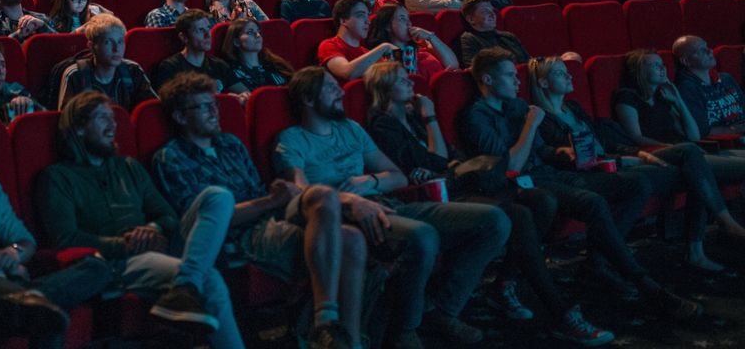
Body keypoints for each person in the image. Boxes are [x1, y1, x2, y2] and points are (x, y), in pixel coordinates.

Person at [365, 62, 615, 346]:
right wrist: (432, 119)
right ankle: (560, 311)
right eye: (401, 80)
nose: (410, 82)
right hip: (441, 194)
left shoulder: (412, 116)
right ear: (384, 88)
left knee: (542, 201)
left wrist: (444, 153)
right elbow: (432, 160)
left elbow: (447, 155)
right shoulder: (383, 123)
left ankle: (504, 284)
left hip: (465, 182)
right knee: (518, 215)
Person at [274, 65, 513, 347]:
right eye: (330, 87)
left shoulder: (351, 128)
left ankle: (442, 309)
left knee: (495, 221)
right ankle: (405, 329)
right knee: (423, 236)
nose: (340, 91)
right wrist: (348, 198)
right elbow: (300, 194)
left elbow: (396, 176)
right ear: (308, 99)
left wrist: (368, 181)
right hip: (344, 215)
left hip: (388, 202)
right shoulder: (291, 139)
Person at [461, 48, 702, 320]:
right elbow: (512, 166)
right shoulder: (477, 117)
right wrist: (531, 125)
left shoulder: (516, 107)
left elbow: (540, 152)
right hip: (523, 184)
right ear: (488, 80)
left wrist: (563, 152)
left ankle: (597, 264)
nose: (518, 82)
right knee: (593, 202)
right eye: (509, 76)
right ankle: (646, 285)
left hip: (551, 173)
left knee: (635, 183)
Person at [150, 72, 370, 349]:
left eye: (214, 105)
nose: (213, 112)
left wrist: (274, 198)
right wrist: (271, 201)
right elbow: (207, 223)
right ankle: (329, 330)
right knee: (350, 241)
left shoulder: (230, 144)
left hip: (269, 216)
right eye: (203, 107)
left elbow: (258, 194)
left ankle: (338, 332)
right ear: (181, 117)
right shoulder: (171, 158)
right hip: (239, 235)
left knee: (324, 195)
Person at [36, 91, 243, 347]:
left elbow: (168, 216)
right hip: (121, 261)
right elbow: (66, 238)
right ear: (78, 127)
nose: (113, 125)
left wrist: (152, 227)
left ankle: (184, 285)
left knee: (218, 196)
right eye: (102, 118)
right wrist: (126, 243)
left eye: (113, 118)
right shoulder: (58, 177)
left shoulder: (129, 167)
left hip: (160, 242)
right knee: (209, 279)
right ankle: (187, 283)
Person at [536, 52, 745, 273]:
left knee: (693, 163)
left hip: (639, 156)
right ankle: (710, 236)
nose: (570, 77)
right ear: (543, 82)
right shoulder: (544, 119)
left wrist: (677, 103)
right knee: (692, 161)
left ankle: (704, 244)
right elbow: (572, 156)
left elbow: (609, 142)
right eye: (561, 73)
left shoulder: (575, 109)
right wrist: (633, 157)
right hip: (608, 167)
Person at [56, 14, 155, 110]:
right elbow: (67, 121)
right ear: (91, 46)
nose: (116, 49)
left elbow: (152, 109)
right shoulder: (76, 75)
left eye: (120, 42)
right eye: (108, 42)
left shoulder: (133, 70)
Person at [153, 10, 249, 96]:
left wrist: (241, 98)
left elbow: (245, 93)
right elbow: (170, 103)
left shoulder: (219, 65)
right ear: (184, 37)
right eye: (200, 30)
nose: (208, 35)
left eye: (208, 29)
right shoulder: (171, 67)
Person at [318, 0, 399, 81]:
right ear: (343, 20)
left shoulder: (367, 53)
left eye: (368, 16)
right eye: (361, 15)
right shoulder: (329, 45)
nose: (368, 21)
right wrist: (384, 47)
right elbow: (346, 72)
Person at [219, 19, 293, 90]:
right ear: (236, 41)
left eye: (258, 31)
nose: (257, 35)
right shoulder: (231, 72)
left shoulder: (275, 65)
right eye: (250, 32)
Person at [457, 0, 530, 67]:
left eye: (492, 10)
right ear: (471, 19)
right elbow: (476, 70)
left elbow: (529, 62)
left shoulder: (508, 36)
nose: (492, 14)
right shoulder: (469, 39)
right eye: (485, 11)